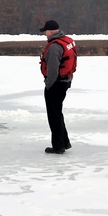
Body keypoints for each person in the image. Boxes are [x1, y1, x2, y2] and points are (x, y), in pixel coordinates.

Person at [39, 19, 77, 154]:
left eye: (45, 32)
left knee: (53, 115)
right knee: (57, 113)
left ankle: (58, 146)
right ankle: (64, 142)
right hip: (65, 81)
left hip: (56, 84)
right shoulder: (67, 41)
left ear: (49, 31)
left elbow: (53, 69)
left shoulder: (55, 47)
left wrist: (48, 84)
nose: (45, 34)